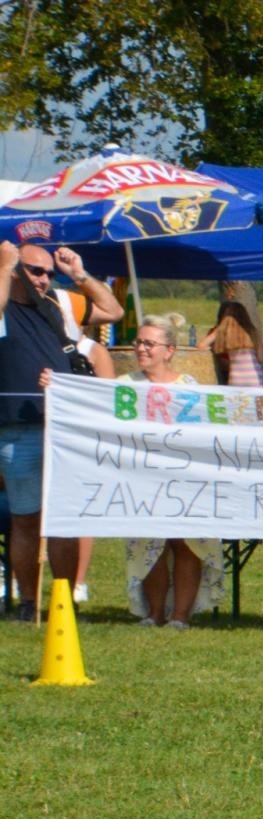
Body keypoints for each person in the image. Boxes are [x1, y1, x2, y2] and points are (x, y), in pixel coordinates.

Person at [0, 241, 95, 621]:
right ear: (14, 270)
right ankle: (28, 604)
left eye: (48, 272)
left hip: (61, 428)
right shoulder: (5, 305)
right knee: (26, 519)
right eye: (35, 271)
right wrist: (5, 267)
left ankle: (63, 603)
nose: (44, 279)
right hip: (16, 428)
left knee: (63, 518)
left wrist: (79, 274)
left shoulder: (56, 304)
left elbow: (112, 310)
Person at [116, 315, 225, 628]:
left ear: (169, 350)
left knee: (184, 542)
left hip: (184, 479)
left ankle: (180, 615)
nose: (142, 349)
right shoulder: (124, 387)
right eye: (139, 342)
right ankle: (154, 613)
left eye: (150, 343)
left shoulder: (188, 388)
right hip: (141, 479)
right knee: (149, 544)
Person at [201, 300, 263, 387]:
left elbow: (201, 346)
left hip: (236, 377)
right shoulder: (252, 331)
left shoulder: (222, 330)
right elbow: (261, 356)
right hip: (256, 376)